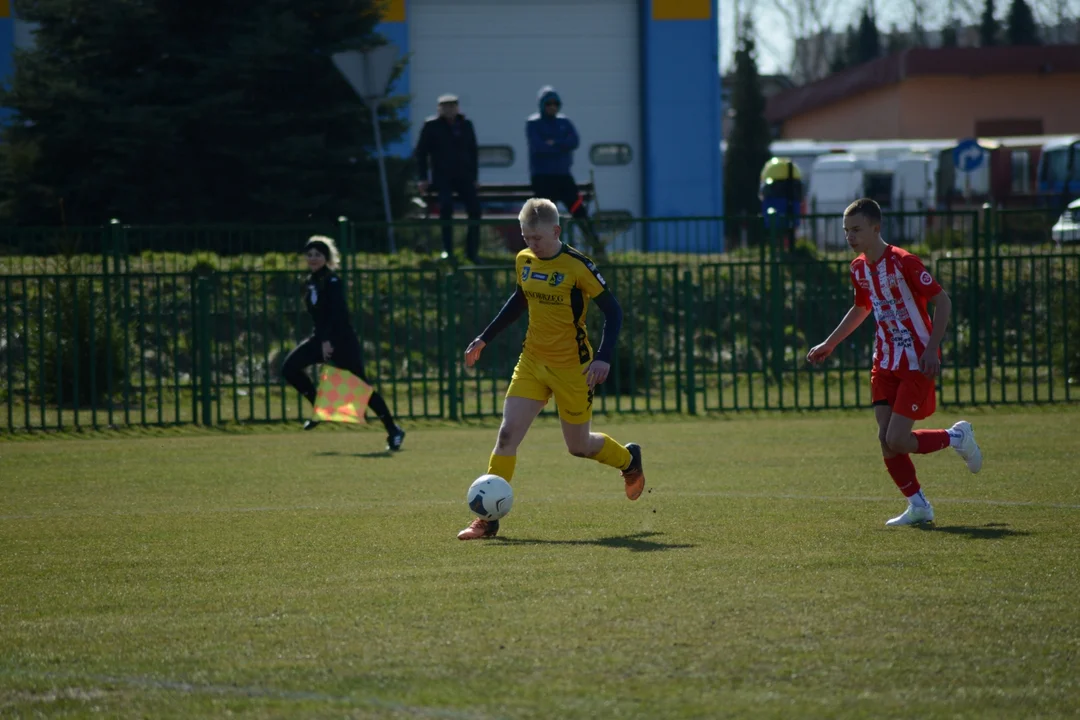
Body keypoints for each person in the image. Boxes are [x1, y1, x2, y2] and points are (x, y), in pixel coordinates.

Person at [457, 198, 645, 540]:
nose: (531, 244)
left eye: (537, 238)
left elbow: (614, 312)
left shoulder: (578, 266)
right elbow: (519, 299)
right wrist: (485, 338)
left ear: (556, 231)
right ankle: (487, 521)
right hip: (532, 361)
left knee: (579, 446)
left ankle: (628, 461)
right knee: (507, 434)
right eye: (526, 238)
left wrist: (603, 356)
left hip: (574, 368)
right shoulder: (524, 260)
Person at [806, 198, 982, 527]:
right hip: (884, 361)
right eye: (846, 230)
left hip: (916, 360)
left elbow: (942, 301)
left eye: (856, 229)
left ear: (876, 228)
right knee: (885, 439)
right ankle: (918, 506)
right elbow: (861, 308)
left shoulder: (903, 261)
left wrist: (932, 349)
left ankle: (956, 437)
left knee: (898, 439)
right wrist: (830, 343)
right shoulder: (858, 268)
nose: (850, 236)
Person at [281, 236, 406, 451]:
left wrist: (328, 341)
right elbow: (318, 317)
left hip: (341, 341)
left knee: (362, 388)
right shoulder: (310, 282)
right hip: (320, 338)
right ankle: (318, 408)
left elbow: (337, 314)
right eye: (309, 254)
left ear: (326, 258)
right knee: (289, 368)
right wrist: (321, 339)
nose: (312, 258)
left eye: (317, 255)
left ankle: (393, 430)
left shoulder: (333, 281)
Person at [526, 87, 597, 250]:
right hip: (543, 177)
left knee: (578, 209)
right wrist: (561, 144)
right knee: (545, 217)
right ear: (542, 105)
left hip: (563, 176)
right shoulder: (533, 123)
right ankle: (543, 250)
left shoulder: (564, 122)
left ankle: (596, 245)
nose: (552, 107)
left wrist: (553, 143)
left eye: (555, 103)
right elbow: (539, 147)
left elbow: (574, 142)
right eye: (548, 103)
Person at [414, 93, 481, 264]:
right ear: (439, 109)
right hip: (442, 176)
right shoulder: (432, 126)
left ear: (457, 107)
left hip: (464, 176)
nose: (449, 109)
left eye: (452, 106)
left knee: (475, 210)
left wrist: (474, 177)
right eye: (445, 106)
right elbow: (421, 153)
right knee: (446, 208)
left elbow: (473, 152)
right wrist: (422, 177)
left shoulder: (465, 125)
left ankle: (472, 251)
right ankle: (448, 250)